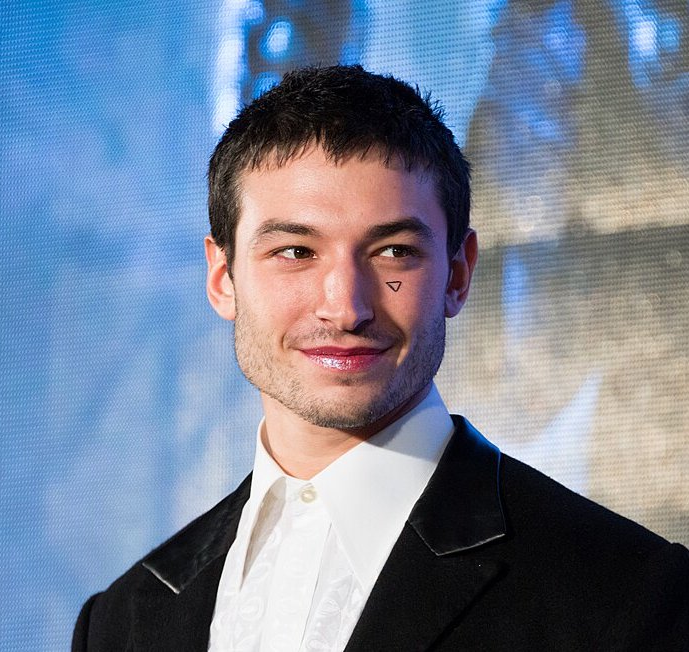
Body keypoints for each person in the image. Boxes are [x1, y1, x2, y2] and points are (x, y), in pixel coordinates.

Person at [72, 65, 689, 651]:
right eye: (295, 252)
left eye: (393, 251)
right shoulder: (122, 621)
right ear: (222, 277)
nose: (345, 308)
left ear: (457, 274)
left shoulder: (629, 597)